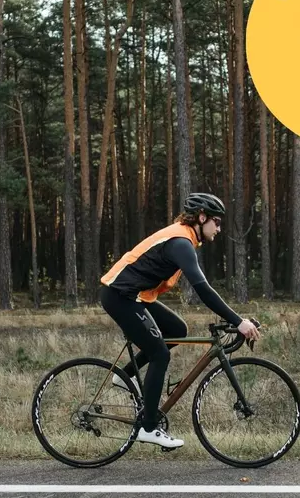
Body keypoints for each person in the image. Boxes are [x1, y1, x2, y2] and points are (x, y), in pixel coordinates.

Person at [99, 192, 261, 449]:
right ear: (201, 217)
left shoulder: (184, 239)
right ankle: (149, 428)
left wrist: (236, 319)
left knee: (177, 329)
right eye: (216, 222)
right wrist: (238, 321)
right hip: (120, 296)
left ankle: (124, 377)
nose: (219, 228)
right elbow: (203, 289)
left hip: (134, 295)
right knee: (159, 355)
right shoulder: (180, 242)